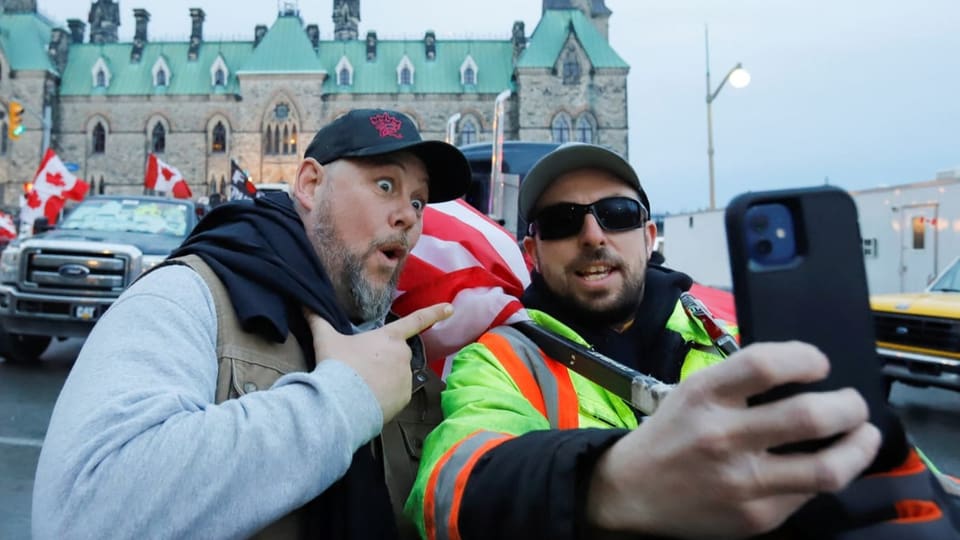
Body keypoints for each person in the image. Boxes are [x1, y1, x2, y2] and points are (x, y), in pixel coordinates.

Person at [406, 142, 959, 539]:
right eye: (561, 221)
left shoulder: (731, 341)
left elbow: (898, 471)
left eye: (617, 214)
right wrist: (611, 483)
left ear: (649, 237)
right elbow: (448, 487)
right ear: (532, 253)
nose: (593, 234)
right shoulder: (499, 359)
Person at [32, 108, 473, 539]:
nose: (409, 216)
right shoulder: (189, 296)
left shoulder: (403, 344)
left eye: (417, 200)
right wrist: (342, 401)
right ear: (310, 184)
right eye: (384, 185)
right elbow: (83, 511)